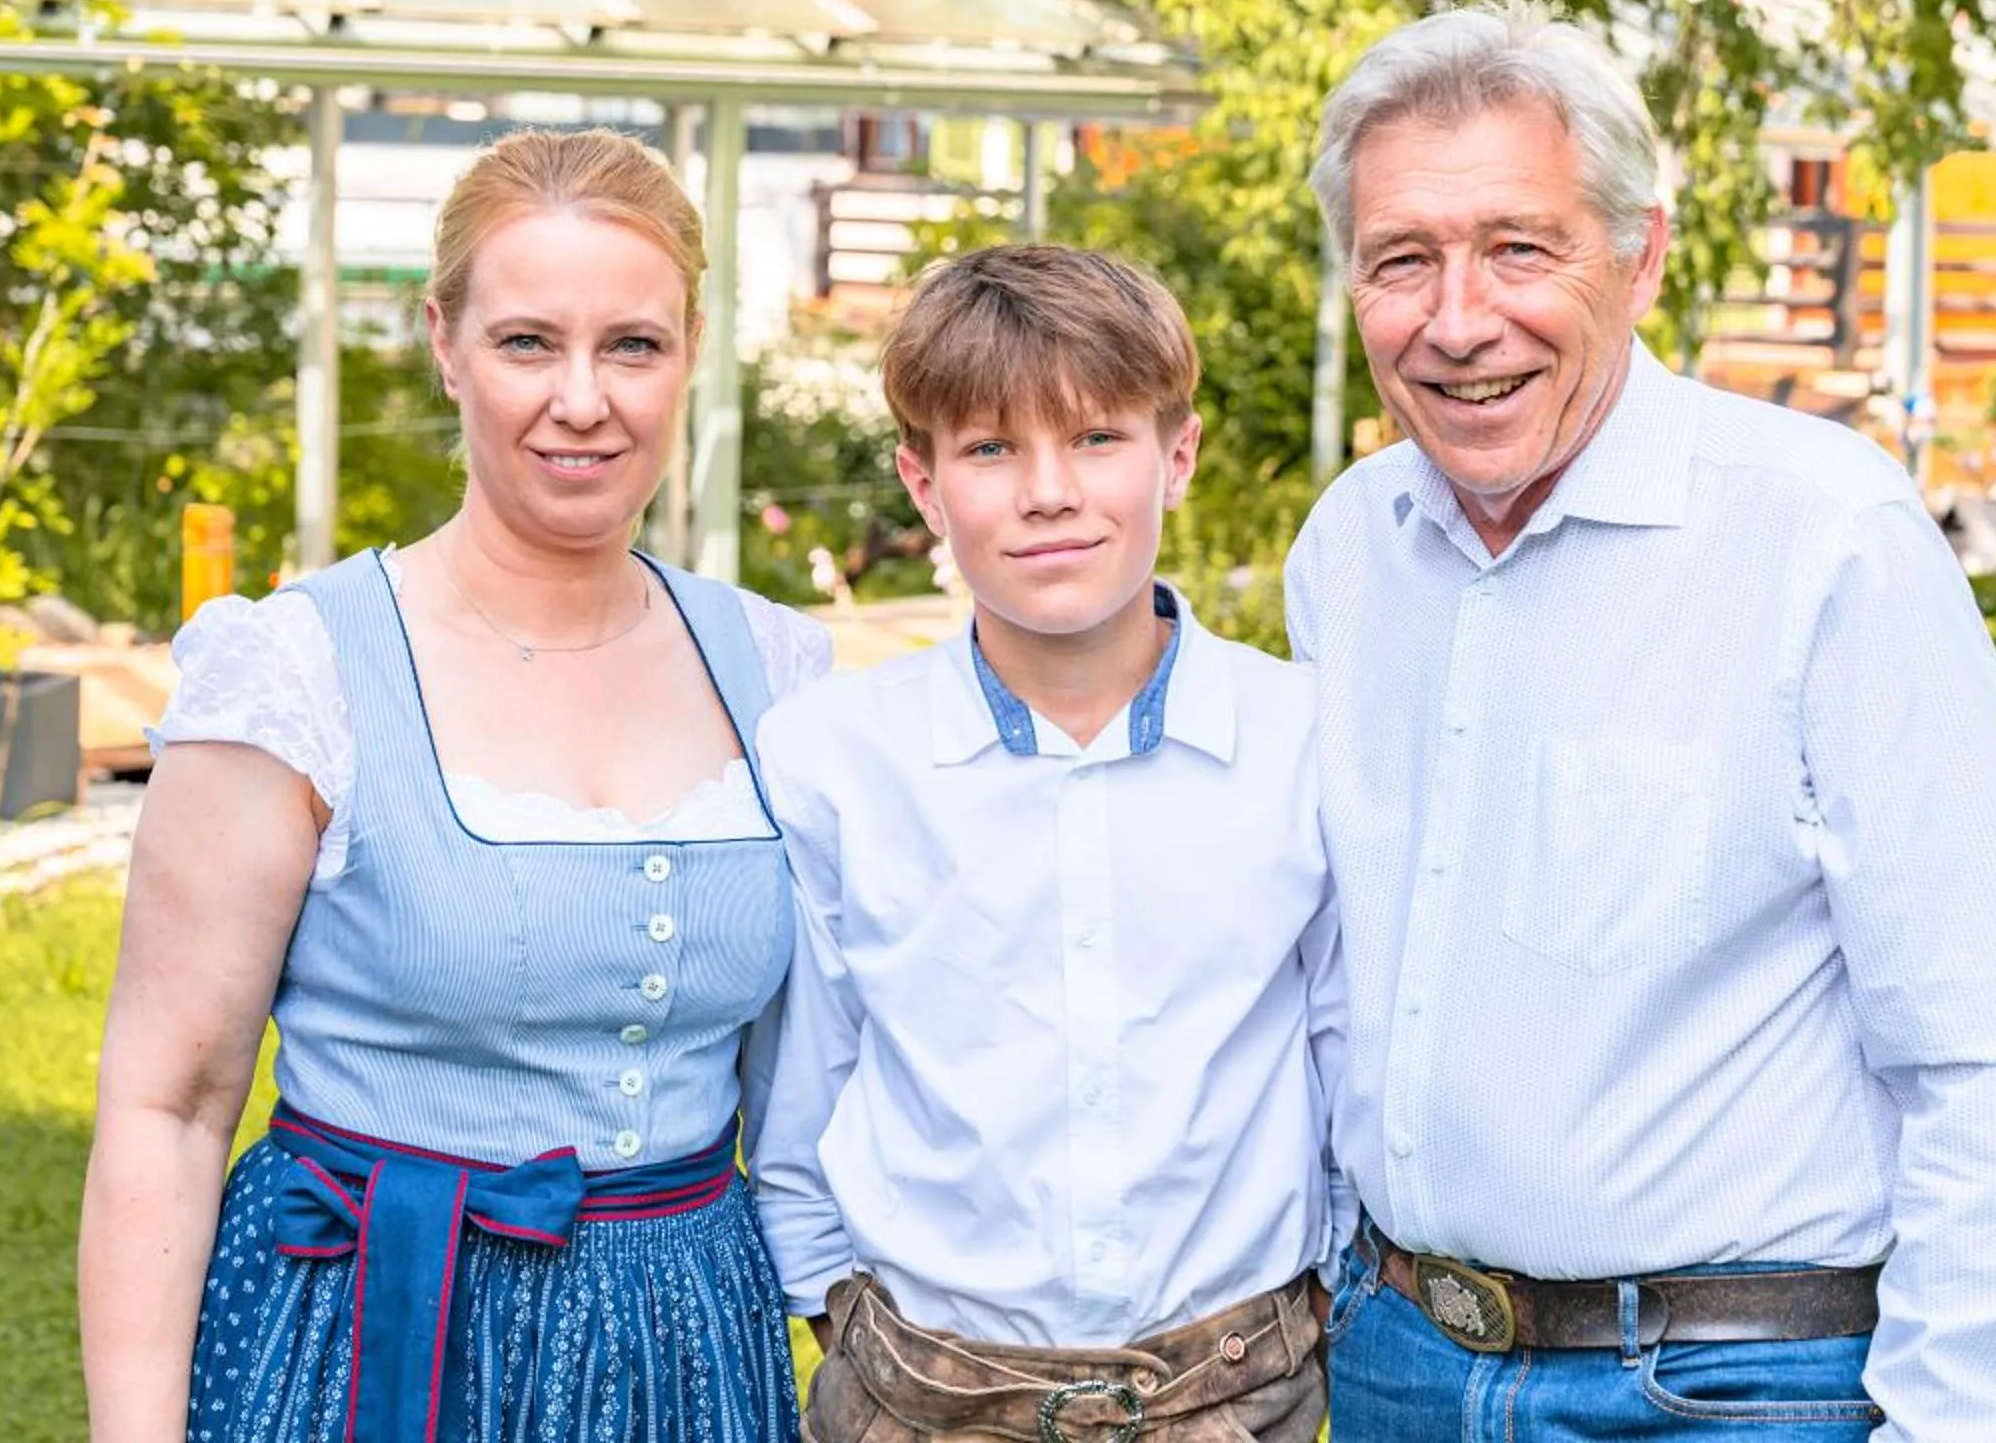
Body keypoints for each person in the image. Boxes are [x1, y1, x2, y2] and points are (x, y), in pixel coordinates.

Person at [1285, 0, 1996, 1442]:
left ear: (1640, 253)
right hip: (1396, 1358)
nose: (1459, 321)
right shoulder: (1348, 550)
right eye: (1401, 261)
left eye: (1518, 249)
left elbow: (1985, 1054)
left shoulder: (1824, 539)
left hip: (1723, 1391)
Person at [79, 128, 829, 1443]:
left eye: (633, 347)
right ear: (444, 342)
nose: (583, 399)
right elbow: (172, 1105)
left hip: (694, 1348)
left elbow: (810, 1086)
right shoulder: (298, 672)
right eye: (527, 342)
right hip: (371, 1333)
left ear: (691, 353)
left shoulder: (776, 665)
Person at [751, 244, 1349, 1443]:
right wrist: (834, 1305)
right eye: (989, 448)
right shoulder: (833, 755)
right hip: (919, 1392)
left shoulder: (1306, 737)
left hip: (1237, 1388)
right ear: (923, 485)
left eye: (1095, 439)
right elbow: (800, 1083)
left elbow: (1341, 1054)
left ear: (1176, 453)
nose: (1048, 491)